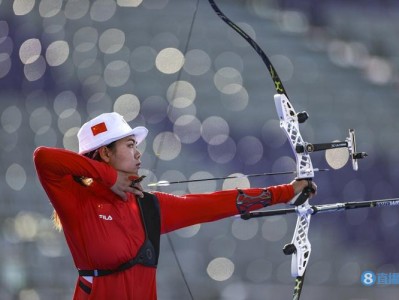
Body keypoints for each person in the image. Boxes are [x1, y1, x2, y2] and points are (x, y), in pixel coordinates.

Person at [33, 112, 316, 300]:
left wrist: (286, 191)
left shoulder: (147, 207)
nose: (138, 153)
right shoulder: (76, 200)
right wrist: (109, 177)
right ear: (106, 153)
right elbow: (43, 158)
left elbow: (216, 203)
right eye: (130, 145)